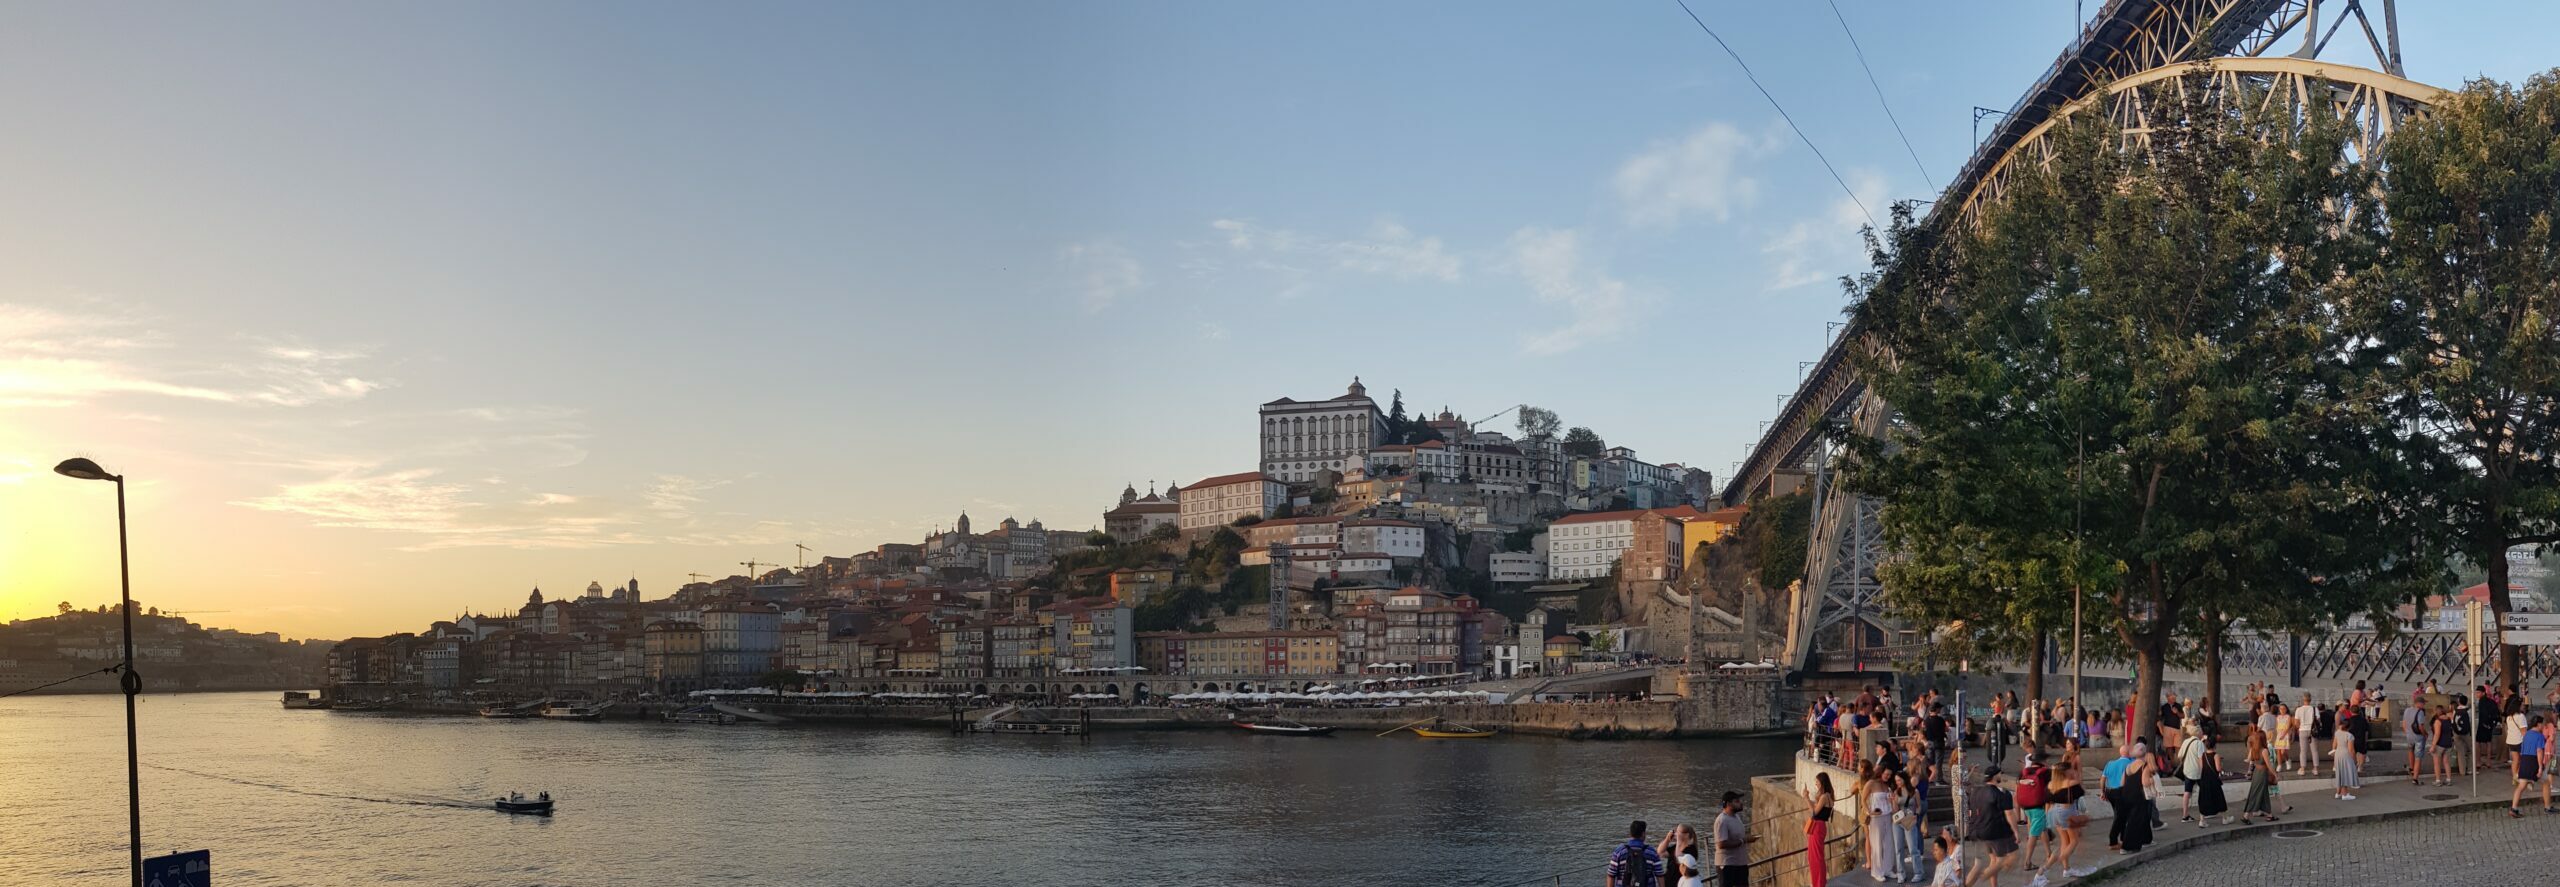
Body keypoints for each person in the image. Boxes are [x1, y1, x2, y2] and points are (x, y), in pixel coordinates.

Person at [1962, 766, 2018, 887]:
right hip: (1994, 832)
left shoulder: (1976, 791)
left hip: (1976, 831)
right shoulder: (2000, 793)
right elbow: (2009, 813)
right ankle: (1984, 876)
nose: (2001, 776)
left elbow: (1971, 812)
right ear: (1995, 776)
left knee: (1981, 863)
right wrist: (2016, 832)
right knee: (2006, 859)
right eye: (2000, 774)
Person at [2512, 714, 2552, 818]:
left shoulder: (2527, 734)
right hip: (2533, 760)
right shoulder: (2539, 736)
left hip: (2525, 760)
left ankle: (2514, 808)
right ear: (2538, 724)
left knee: (2521, 786)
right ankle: (2547, 807)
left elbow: (2522, 750)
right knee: (2546, 782)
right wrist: (2539, 767)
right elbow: (2539, 751)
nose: (2543, 725)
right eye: (2542, 724)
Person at [1867, 765, 1901, 882]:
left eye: (1890, 775)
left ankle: (1887, 869)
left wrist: (1892, 799)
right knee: (1877, 844)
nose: (1888, 776)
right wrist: (1869, 812)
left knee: (1889, 843)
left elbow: (1893, 803)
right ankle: (1877, 871)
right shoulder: (1871, 783)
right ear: (1881, 772)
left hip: (1888, 815)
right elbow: (1863, 798)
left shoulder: (1887, 786)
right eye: (1886, 774)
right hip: (1876, 818)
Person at [1713, 791, 1753, 887]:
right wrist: (1743, 840)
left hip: (1740, 863)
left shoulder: (1736, 817)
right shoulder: (1722, 820)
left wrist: (1747, 839)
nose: (1740, 803)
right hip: (1727, 864)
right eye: (1737, 801)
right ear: (1728, 804)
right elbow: (1721, 844)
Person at [1608, 820, 1665, 887]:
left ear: (1630, 833)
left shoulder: (1619, 851)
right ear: (1643, 833)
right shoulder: (1652, 852)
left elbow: (1611, 875)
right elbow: (1660, 875)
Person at [2240, 726, 2279, 823]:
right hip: (2262, 773)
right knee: (2256, 793)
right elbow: (2268, 765)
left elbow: (2249, 760)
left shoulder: (2254, 748)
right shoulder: (2264, 750)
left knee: (2263, 793)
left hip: (2256, 772)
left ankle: (2269, 815)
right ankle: (2246, 816)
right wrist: (2275, 774)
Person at [2193, 735, 2229, 826]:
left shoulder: (2202, 755)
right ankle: (2225, 818)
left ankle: (2202, 820)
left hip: (2204, 779)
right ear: (2214, 746)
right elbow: (2218, 768)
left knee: (2204, 798)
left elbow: (2201, 767)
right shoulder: (2216, 755)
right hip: (2213, 779)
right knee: (2219, 797)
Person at [1806, 773, 1835, 887]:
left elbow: (1814, 812)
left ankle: (1818, 883)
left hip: (1817, 826)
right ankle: (1819, 882)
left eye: (1817, 782)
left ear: (1822, 782)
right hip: (1820, 826)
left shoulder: (1824, 797)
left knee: (1816, 857)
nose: (1816, 784)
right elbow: (1817, 808)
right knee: (1815, 856)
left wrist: (1806, 798)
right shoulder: (1828, 795)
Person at [2430, 702, 2458, 787]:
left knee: (2437, 763)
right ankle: (2448, 779)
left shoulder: (2438, 721)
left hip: (2440, 744)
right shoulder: (2449, 719)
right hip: (2448, 743)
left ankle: (2438, 780)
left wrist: (2433, 745)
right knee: (2446, 762)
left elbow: (2437, 734)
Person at [2293, 693, 2319, 773]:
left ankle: (2303, 768)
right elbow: (2318, 720)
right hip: (2312, 731)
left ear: (2302, 700)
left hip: (2302, 730)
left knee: (2303, 750)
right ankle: (2315, 769)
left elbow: (2296, 723)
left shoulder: (2298, 709)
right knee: (2314, 750)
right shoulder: (2315, 709)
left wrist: (2299, 727)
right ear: (2310, 700)